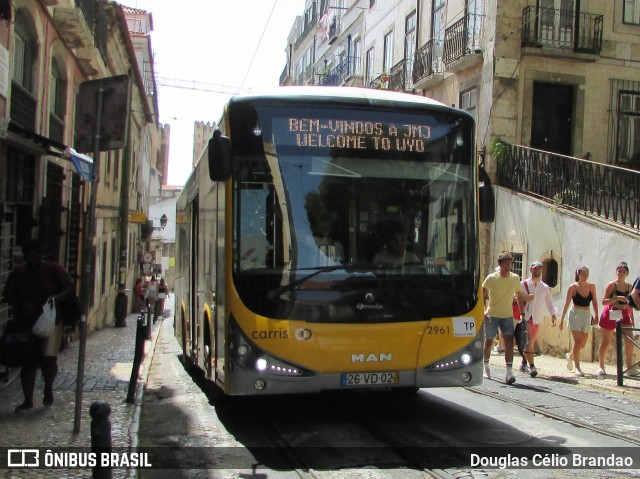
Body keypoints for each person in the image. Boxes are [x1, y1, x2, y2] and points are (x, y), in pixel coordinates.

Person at [2, 239, 74, 411]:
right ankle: (28, 400)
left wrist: (56, 298)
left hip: (51, 321)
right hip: (26, 322)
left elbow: (69, 288)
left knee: (48, 359)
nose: (31, 260)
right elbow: (8, 293)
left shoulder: (54, 270)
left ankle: (48, 388)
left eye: (34, 256)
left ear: (40, 256)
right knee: (28, 361)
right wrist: (22, 303)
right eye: (28, 257)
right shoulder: (19, 273)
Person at [482, 252, 524, 384]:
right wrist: (483, 311)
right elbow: (481, 295)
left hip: (507, 315)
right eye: (505, 263)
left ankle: (509, 372)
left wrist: (522, 313)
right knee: (489, 341)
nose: (508, 266)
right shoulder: (491, 278)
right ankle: (486, 366)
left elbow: (518, 296)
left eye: (510, 263)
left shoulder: (515, 278)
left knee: (509, 343)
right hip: (492, 314)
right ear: (499, 264)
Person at [597, 262, 638, 376]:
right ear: (616, 272)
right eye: (619, 271)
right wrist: (616, 298)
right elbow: (604, 301)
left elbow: (630, 304)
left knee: (629, 341)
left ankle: (629, 368)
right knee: (606, 341)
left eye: (623, 271)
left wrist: (632, 318)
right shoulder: (612, 285)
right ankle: (601, 366)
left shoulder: (629, 287)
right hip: (611, 312)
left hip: (624, 314)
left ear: (627, 273)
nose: (621, 273)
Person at [520, 261, 558, 377]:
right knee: (529, 341)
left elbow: (549, 302)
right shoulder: (524, 284)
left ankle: (523, 362)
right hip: (526, 317)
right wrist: (526, 298)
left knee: (530, 342)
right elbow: (517, 298)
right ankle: (532, 366)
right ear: (531, 270)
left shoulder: (544, 287)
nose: (537, 271)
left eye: (539, 269)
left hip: (536, 318)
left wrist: (553, 314)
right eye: (535, 269)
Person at [559, 265, 598, 377]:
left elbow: (594, 301)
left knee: (583, 344)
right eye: (583, 274)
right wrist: (562, 319)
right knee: (577, 341)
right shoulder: (573, 287)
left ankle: (571, 356)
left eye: (587, 274)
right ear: (578, 274)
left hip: (586, 314)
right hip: (575, 313)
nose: (585, 276)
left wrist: (596, 315)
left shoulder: (591, 286)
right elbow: (566, 303)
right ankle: (577, 367)